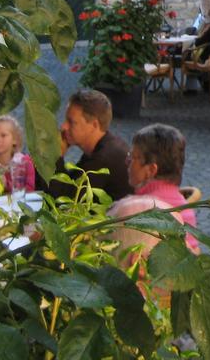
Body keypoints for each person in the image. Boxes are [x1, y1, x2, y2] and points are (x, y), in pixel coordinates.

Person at [109, 124, 199, 259]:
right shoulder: (185, 207)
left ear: (151, 170)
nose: (127, 162)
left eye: (133, 157)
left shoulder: (141, 211)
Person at [43, 89, 133, 201]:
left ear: (94, 125)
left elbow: (65, 202)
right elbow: (72, 180)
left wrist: (56, 155)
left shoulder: (104, 158)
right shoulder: (103, 146)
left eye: (71, 122)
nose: (63, 127)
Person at [0, 115, 35, 193]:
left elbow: (30, 190)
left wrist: (7, 185)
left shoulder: (25, 162)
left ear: (15, 139)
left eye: (3, 135)